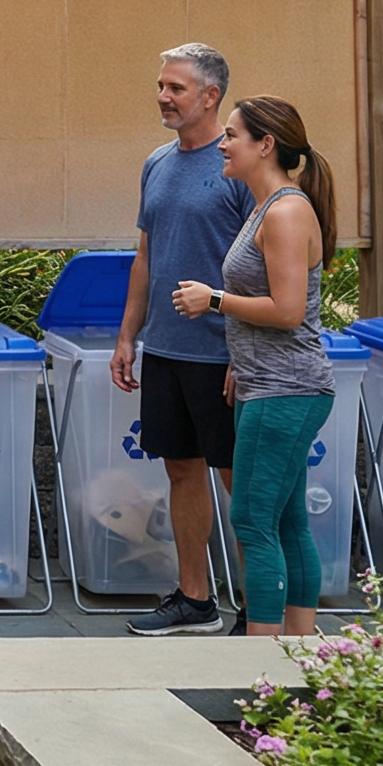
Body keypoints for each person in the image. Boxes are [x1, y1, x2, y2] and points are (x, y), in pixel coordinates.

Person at [172, 97, 336, 637]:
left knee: (253, 522)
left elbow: (288, 312)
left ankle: (260, 664)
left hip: (285, 390)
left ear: (265, 145)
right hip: (264, 384)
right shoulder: (267, 208)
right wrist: (240, 361)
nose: (223, 143)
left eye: (233, 135)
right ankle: (300, 651)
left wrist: (213, 300)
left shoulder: (287, 212)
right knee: (286, 523)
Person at [109, 44, 255, 635]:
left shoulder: (240, 168)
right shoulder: (156, 163)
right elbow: (147, 256)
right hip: (166, 350)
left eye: (176, 88)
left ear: (211, 96)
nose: (164, 97)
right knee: (181, 473)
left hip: (222, 356)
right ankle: (195, 601)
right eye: (161, 85)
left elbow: (264, 267)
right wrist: (128, 337)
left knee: (237, 482)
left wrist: (244, 352)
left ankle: (259, 610)